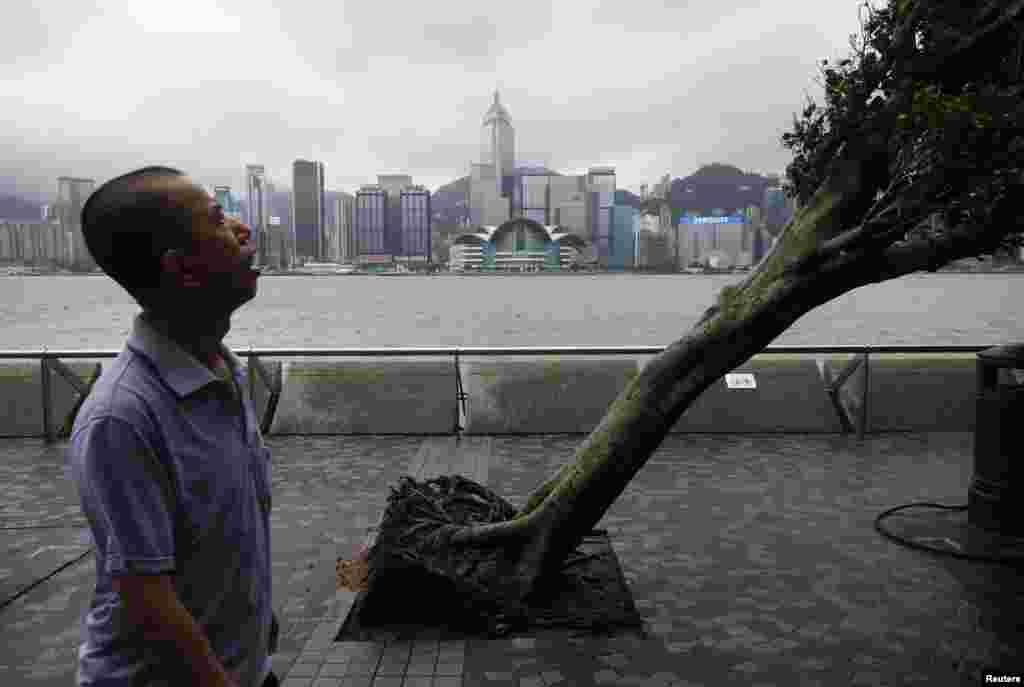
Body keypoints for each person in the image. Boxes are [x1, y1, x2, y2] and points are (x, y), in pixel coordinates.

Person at [69, 166, 279, 687]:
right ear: (181, 268)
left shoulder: (222, 371)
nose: (242, 230)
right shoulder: (122, 416)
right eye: (219, 220)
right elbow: (148, 600)